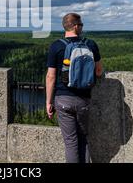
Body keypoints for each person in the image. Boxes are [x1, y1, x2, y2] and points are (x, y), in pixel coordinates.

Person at [46, 13, 103, 163]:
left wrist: (48, 102)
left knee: (71, 143)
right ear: (76, 26)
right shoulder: (90, 44)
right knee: (83, 139)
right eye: (81, 24)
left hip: (63, 99)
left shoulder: (56, 46)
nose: (82, 27)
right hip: (84, 100)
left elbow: (51, 76)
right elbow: (98, 72)